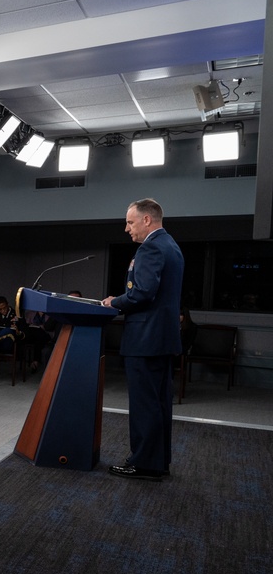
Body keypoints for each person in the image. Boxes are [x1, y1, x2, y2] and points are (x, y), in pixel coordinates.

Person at [102, 198, 184, 481]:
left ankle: (144, 465)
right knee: (159, 403)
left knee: (144, 404)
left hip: (146, 338)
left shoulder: (150, 248)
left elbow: (143, 293)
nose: (127, 229)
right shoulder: (171, 245)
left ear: (147, 220)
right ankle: (158, 461)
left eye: (130, 222)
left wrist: (115, 302)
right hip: (161, 338)